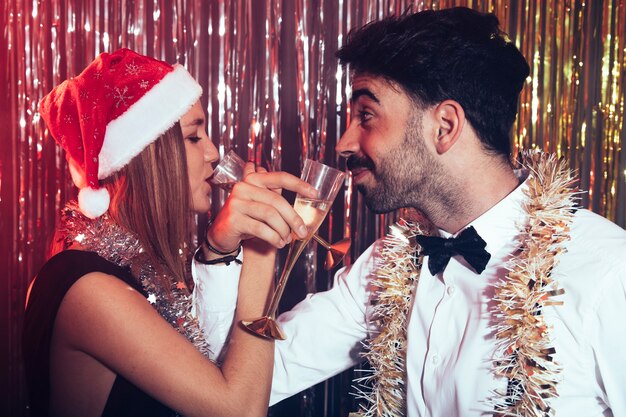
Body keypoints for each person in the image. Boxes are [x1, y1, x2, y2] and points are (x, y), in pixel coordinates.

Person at [194, 7, 626, 417]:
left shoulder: (607, 272)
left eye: (366, 114)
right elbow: (235, 385)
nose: (344, 143)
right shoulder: (386, 268)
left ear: (445, 127)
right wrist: (220, 252)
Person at [22, 48, 316, 417]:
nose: (213, 153)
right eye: (194, 137)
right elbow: (239, 410)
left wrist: (218, 249)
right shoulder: (88, 288)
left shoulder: (145, 275)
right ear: (146, 155)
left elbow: (211, 365)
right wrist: (260, 250)